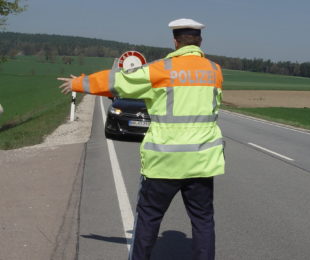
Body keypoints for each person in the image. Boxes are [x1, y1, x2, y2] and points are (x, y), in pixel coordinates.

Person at [58, 18, 225, 260]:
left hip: (164, 162)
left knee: (148, 219)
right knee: (203, 222)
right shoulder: (214, 72)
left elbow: (120, 83)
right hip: (202, 161)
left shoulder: (161, 70)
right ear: (199, 41)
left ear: (175, 41)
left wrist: (79, 83)